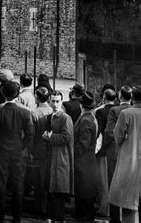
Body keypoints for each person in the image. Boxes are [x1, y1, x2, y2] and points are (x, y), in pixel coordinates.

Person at [0, 79, 34, 223]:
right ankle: (16, 215)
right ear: (17, 94)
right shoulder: (25, 112)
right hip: (17, 150)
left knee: (0, 182)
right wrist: (21, 146)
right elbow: (29, 134)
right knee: (17, 182)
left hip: (1, 150)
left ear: (3, 93)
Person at [108, 85, 141, 223]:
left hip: (130, 163)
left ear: (132, 98)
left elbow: (117, 136)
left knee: (129, 208)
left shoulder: (126, 114)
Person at [43, 90, 74, 222]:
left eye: (57, 101)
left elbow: (67, 137)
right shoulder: (51, 116)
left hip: (61, 156)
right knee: (53, 187)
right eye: (53, 101)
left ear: (61, 102)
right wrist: (46, 136)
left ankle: (58, 217)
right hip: (52, 155)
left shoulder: (65, 117)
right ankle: (52, 216)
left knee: (59, 188)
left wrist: (51, 137)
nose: (55, 104)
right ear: (49, 102)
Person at [104, 85, 133, 223]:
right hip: (132, 154)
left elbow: (110, 132)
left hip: (115, 152)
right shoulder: (135, 111)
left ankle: (114, 218)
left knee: (114, 186)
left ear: (120, 96)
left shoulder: (115, 111)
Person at [74, 90, 98, 221]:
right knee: (83, 190)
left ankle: (86, 216)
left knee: (84, 191)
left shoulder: (86, 120)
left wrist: (74, 153)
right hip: (87, 160)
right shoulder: (89, 117)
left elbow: (83, 143)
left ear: (81, 104)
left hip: (83, 161)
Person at [31, 86, 53, 218]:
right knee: (48, 180)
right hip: (50, 149)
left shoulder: (34, 113)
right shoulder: (52, 111)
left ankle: (40, 208)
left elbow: (32, 134)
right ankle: (47, 208)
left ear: (37, 97)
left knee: (38, 182)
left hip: (38, 149)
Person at [95, 87, 117, 216]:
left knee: (103, 181)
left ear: (104, 97)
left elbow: (98, 131)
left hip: (103, 150)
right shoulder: (121, 110)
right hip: (116, 150)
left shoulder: (100, 112)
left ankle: (104, 209)